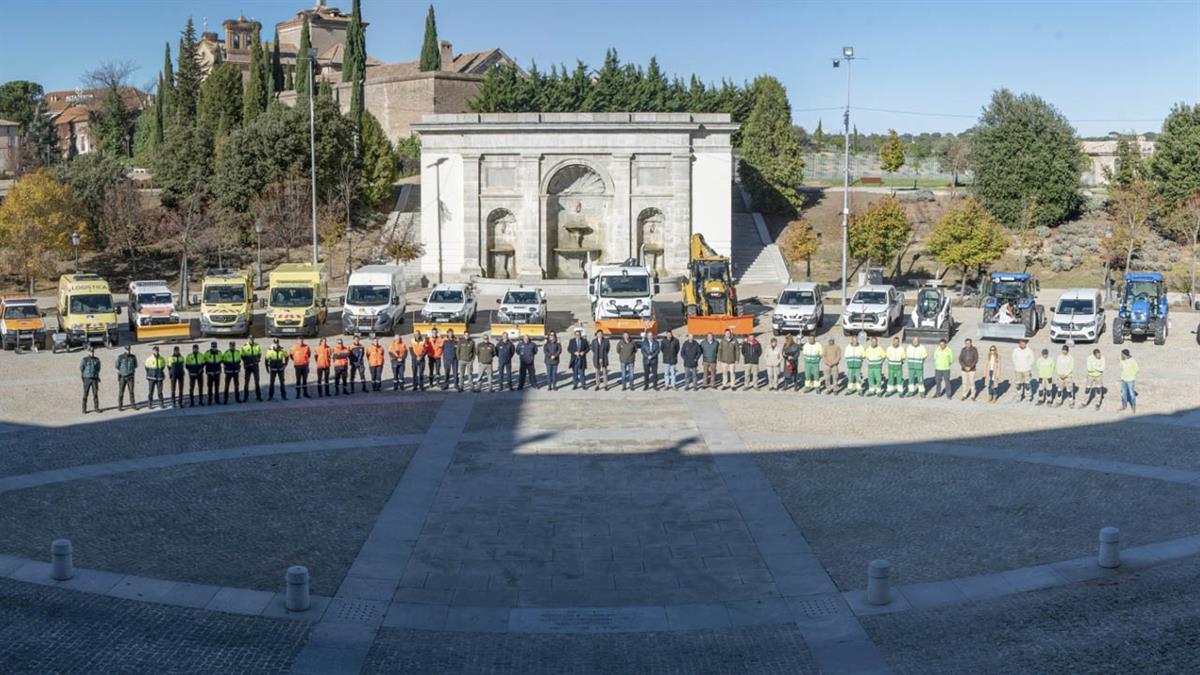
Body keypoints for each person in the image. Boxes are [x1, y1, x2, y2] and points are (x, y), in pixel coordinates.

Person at [116, 345, 138, 411]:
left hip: (130, 377)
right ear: (124, 349)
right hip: (122, 377)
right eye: (126, 349)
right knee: (121, 392)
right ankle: (120, 406)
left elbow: (135, 365)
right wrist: (123, 371)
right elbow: (117, 366)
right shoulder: (120, 357)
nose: (128, 351)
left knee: (131, 391)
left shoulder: (133, 357)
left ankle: (133, 405)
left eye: (129, 349)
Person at [81, 346, 102, 414]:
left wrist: (96, 375)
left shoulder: (96, 360)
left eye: (93, 352)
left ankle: (96, 408)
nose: (92, 353)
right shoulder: (84, 360)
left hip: (94, 379)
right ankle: (84, 409)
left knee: (95, 394)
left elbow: (98, 368)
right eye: (90, 352)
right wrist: (85, 375)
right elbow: (82, 368)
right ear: (88, 352)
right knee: (85, 394)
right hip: (87, 378)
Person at [241, 336, 263, 402]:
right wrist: (246, 363)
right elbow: (242, 356)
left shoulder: (257, 345)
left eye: (252, 339)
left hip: (255, 366)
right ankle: (245, 397)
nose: (251, 340)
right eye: (250, 339)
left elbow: (259, 354)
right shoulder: (244, 346)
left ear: (254, 339)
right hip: (248, 366)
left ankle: (258, 397)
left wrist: (256, 360)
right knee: (246, 382)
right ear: (248, 339)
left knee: (257, 382)